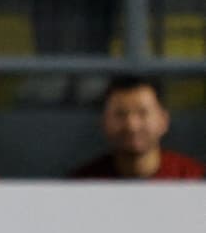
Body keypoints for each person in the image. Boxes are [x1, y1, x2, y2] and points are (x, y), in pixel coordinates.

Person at [70, 76, 205, 178]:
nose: (132, 126)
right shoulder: (84, 183)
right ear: (104, 122)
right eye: (120, 114)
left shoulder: (193, 178)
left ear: (163, 120)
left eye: (143, 113)